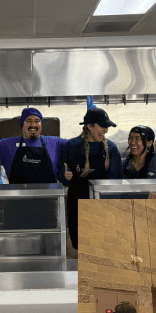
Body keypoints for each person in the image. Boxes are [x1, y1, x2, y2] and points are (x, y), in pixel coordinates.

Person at [59, 107, 122, 250]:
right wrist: (65, 175)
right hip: (77, 207)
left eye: (107, 127)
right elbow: (62, 173)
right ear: (89, 126)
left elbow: (116, 184)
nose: (106, 130)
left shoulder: (111, 149)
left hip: (103, 209)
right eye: (102, 126)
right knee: (81, 248)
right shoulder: (72, 146)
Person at [0, 107, 64, 228]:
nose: (33, 124)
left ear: (41, 124)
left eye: (37, 121)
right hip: (16, 211)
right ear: (22, 125)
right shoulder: (7, 145)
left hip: (47, 210)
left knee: (46, 246)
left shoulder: (54, 143)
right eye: (28, 121)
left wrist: (90, 124)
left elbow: (77, 146)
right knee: (17, 246)